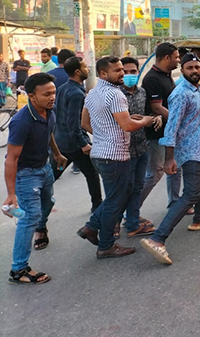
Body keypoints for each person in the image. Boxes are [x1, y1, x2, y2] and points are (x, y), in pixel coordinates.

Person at [139, 54, 200, 265]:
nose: (195, 71)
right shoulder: (181, 94)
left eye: (197, 67)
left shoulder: (195, 89)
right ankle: (158, 239)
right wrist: (169, 159)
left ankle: (199, 219)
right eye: (190, 67)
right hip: (188, 151)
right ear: (182, 70)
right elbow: (171, 127)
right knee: (191, 193)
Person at [76, 57, 156, 259]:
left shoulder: (93, 92)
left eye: (123, 70)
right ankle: (105, 245)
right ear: (103, 74)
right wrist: (145, 120)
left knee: (116, 196)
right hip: (115, 156)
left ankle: (91, 228)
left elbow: (85, 122)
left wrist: (104, 134)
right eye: (117, 71)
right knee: (115, 200)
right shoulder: (115, 94)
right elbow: (127, 126)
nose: (122, 74)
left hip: (101, 153)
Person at [3, 73, 66, 284]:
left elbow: (48, 134)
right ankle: (18, 269)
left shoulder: (49, 110)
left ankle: (41, 226)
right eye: (46, 94)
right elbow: (11, 159)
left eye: (53, 93)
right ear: (31, 96)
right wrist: (11, 194)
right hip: (25, 174)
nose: (52, 97)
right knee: (29, 217)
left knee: (48, 203)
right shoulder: (21, 122)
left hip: (44, 167)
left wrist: (56, 153)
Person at [52, 57, 103, 216]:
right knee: (92, 174)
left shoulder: (63, 88)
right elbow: (73, 123)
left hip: (61, 141)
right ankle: (97, 207)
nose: (88, 69)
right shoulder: (76, 93)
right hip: (74, 145)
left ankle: (30, 204)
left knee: (51, 175)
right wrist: (83, 143)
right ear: (77, 71)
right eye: (85, 67)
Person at [138, 43, 182, 212]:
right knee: (155, 173)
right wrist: (177, 120)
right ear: (166, 58)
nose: (178, 60)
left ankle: (174, 202)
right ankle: (131, 210)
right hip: (156, 134)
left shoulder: (166, 75)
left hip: (169, 131)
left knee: (175, 167)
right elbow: (156, 107)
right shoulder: (152, 78)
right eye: (176, 57)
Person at [120, 56, 160, 238]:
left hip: (141, 146)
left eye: (133, 72)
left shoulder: (142, 92)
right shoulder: (115, 94)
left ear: (138, 72)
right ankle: (111, 223)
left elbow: (148, 113)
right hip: (122, 150)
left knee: (137, 187)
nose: (129, 75)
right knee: (121, 190)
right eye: (125, 72)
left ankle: (133, 222)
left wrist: (156, 117)